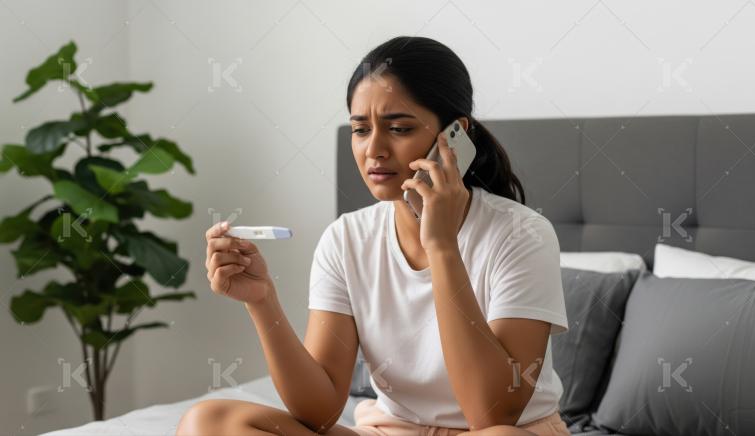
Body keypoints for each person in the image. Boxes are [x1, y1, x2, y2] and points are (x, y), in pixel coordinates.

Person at [177, 36, 569, 436]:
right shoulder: (346, 238)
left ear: (455, 136)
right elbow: (321, 413)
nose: (374, 150)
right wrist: (262, 302)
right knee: (208, 422)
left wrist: (442, 247)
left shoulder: (522, 234)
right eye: (360, 129)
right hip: (392, 431)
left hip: (504, 432)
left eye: (398, 128)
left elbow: (492, 413)